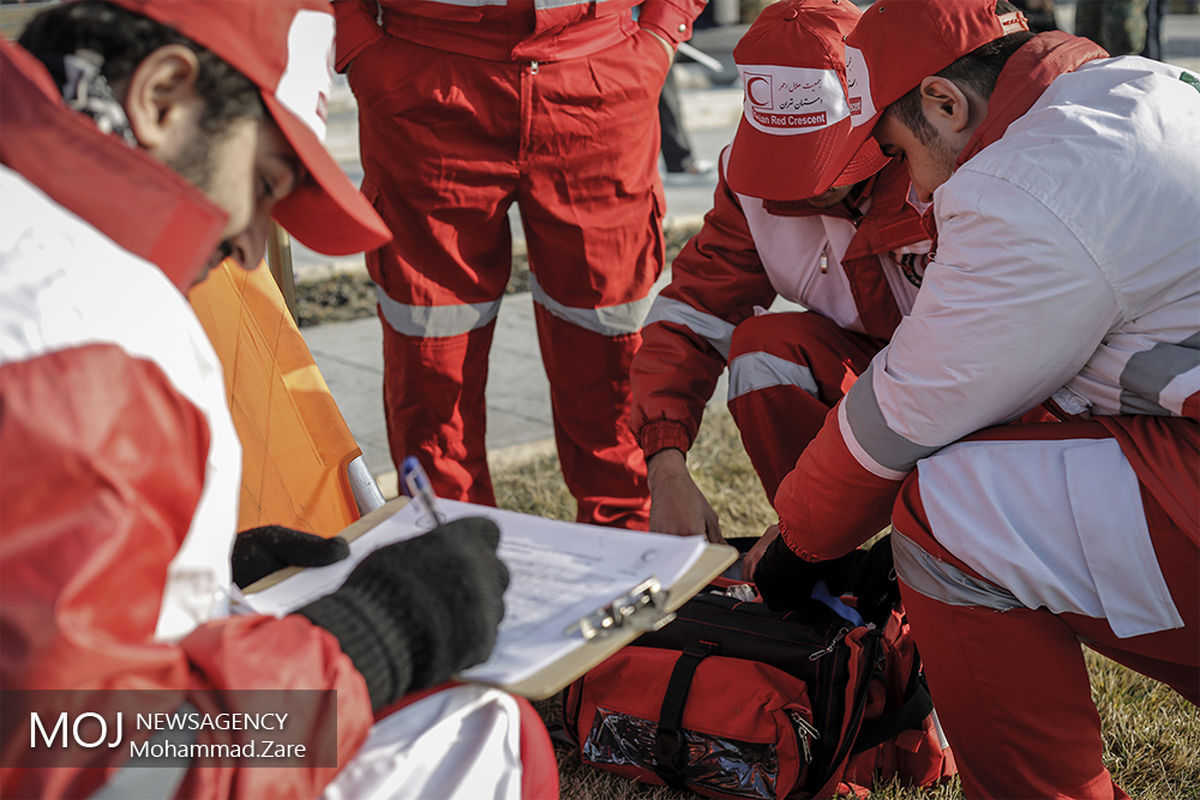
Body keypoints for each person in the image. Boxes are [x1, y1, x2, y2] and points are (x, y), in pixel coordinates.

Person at [0, 2, 542, 797]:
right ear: (160, 97)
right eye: (261, 185)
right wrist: (366, 643)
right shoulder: (85, 329)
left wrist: (189, 563)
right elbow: (83, 758)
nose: (253, 248)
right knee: (490, 732)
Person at [750, 1, 1199, 797]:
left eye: (895, 151)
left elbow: (901, 415)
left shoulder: (1026, 185)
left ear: (945, 103)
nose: (910, 186)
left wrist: (797, 547)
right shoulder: (1136, 90)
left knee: (951, 508)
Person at [332, 0, 705, 529]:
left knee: (610, 344)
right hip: (424, 75)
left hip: (599, 74)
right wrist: (357, 42)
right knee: (433, 350)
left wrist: (663, 30)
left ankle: (627, 547)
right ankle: (451, 552)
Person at [631, 0, 930, 548]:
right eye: (787, 155)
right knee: (764, 351)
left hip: (987, 392)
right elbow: (693, 312)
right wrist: (665, 469)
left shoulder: (942, 163)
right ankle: (826, 554)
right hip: (885, 375)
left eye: (823, 155)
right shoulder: (747, 184)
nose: (808, 185)